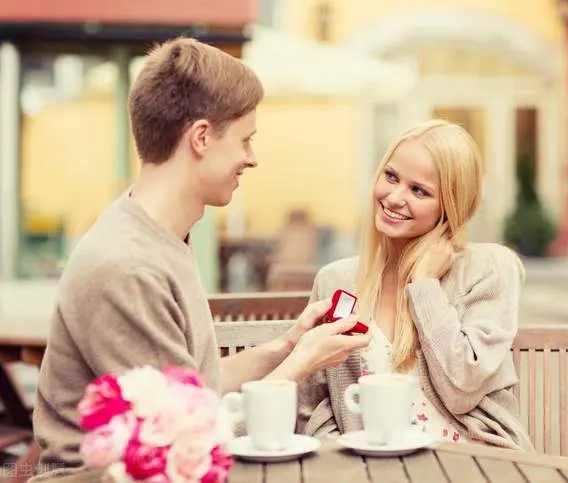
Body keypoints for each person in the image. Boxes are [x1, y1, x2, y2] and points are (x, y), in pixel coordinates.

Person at [31, 37, 372, 480]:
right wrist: (303, 362)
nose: (252, 159)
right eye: (246, 140)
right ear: (202, 137)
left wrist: (286, 345)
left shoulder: (159, 236)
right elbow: (191, 441)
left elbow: (195, 391)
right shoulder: (129, 266)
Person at [297, 119, 534, 451]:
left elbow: (462, 387)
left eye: (419, 190)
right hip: (372, 466)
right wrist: (346, 460)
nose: (394, 197)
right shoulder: (337, 281)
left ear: (450, 206)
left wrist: (425, 286)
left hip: (470, 462)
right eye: (391, 177)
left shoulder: (489, 268)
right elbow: (315, 405)